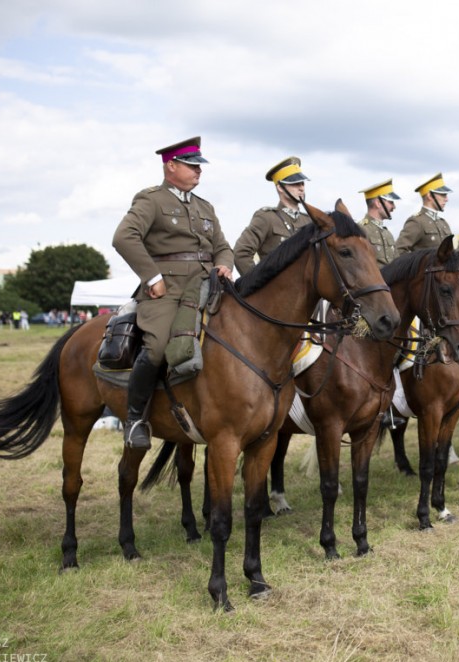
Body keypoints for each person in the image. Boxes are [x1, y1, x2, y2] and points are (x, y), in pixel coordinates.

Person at [113, 136, 233, 449]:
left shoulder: (205, 207)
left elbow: (222, 246)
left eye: (199, 165)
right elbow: (124, 237)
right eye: (192, 165)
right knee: (156, 348)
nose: (198, 170)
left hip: (206, 288)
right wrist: (151, 276)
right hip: (167, 291)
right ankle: (135, 418)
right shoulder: (151, 200)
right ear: (171, 166)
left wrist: (224, 264)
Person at [233, 156, 311, 276]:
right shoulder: (267, 218)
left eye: (302, 183)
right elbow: (241, 253)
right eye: (295, 184)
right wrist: (258, 282)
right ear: (280, 187)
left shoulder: (309, 221)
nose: (301, 188)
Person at [394, 172, 453, 256]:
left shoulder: (443, 223)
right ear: (430, 196)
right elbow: (399, 250)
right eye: (443, 195)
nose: (446, 199)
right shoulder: (417, 221)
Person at [357, 179, 400, 267]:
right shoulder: (360, 230)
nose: (394, 207)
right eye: (391, 202)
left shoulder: (388, 234)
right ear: (378, 203)